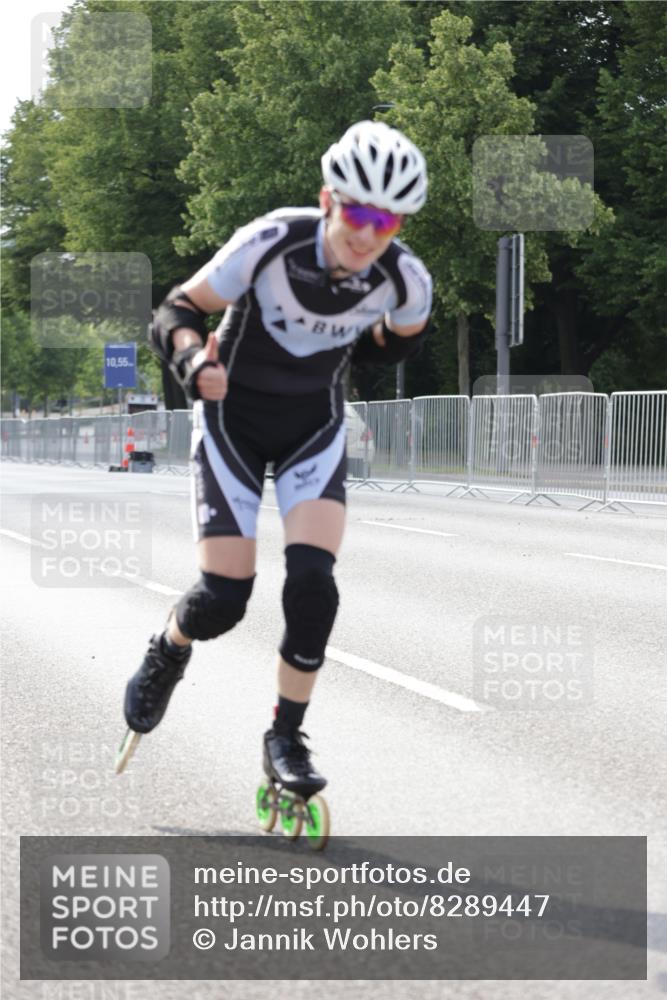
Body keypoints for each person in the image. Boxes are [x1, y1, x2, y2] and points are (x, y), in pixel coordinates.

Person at [121, 120, 432, 803]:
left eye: (384, 219)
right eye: (354, 211)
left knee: (313, 583)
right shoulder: (269, 241)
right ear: (328, 200)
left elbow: (391, 347)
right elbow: (174, 308)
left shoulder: (405, 280)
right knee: (223, 601)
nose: (365, 232)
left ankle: (284, 735)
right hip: (232, 420)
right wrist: (193, 358)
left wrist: (346, 343)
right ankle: (169, 645)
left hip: (310, 429)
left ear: (399, 222)